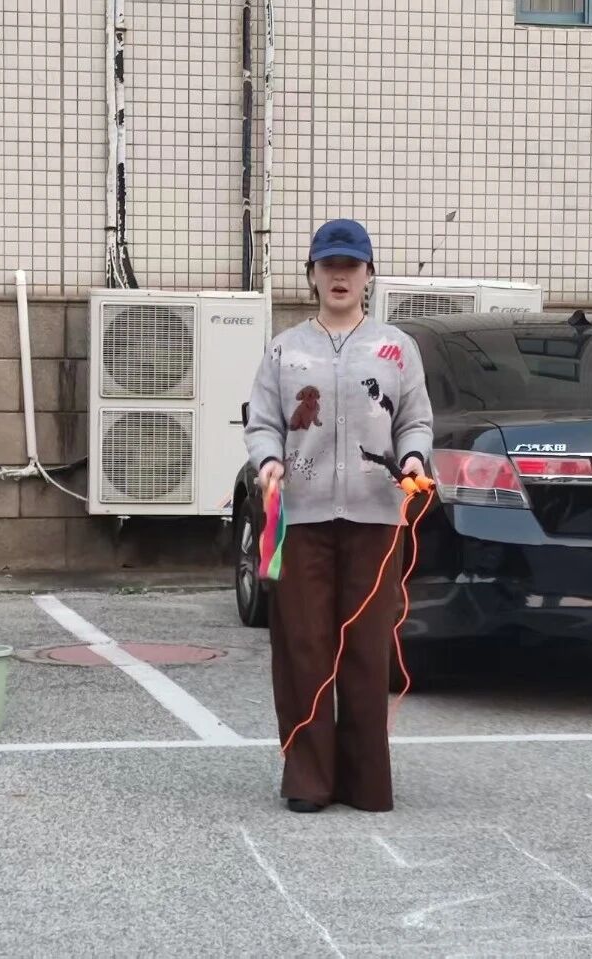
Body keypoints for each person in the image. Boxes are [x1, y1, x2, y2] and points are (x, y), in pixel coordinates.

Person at [243, 218, 434, 814]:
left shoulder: (396, 347)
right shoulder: (285, 348)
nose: (340, 276)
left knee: (367, 649)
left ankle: (364, 781)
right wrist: (268, 461)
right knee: (303, 646)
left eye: (351, 266)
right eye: (329, 266)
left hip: (377, 518)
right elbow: (262, 423)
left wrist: (412, 457)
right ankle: (308, 779)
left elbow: (416, 421)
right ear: (312, 275)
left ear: (369, 274)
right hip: (301, 517)